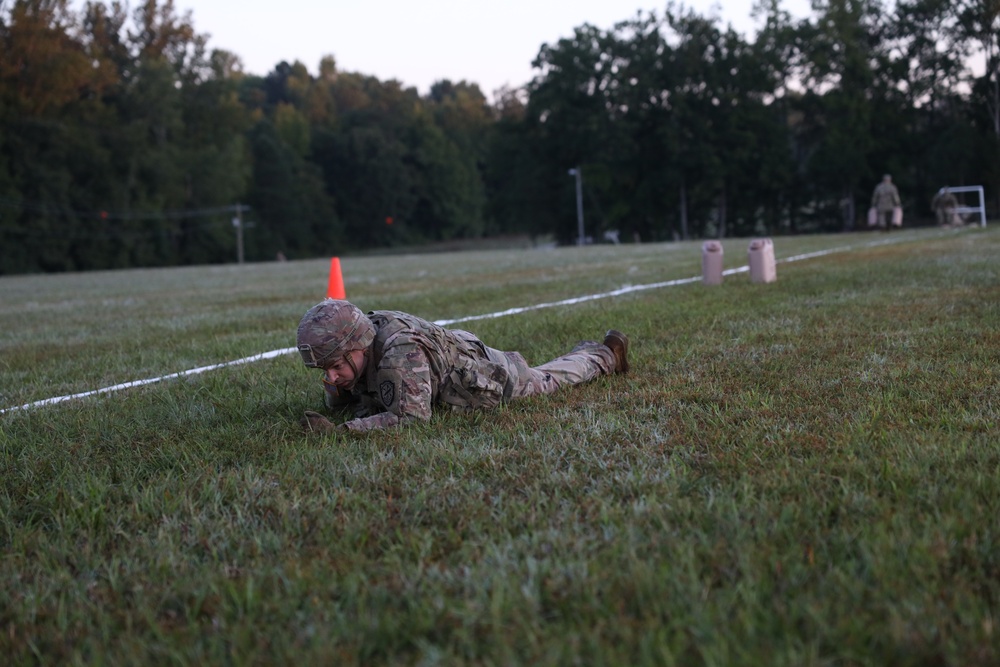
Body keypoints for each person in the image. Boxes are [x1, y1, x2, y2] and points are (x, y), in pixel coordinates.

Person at [296, 299, 630, 433]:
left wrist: (343, 432)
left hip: (483, 372)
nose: (330, 375)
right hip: (450, 354)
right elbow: (350, 395)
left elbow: (411, 419)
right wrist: (335, 387)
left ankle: (603, 355)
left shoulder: (401, 352)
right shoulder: (362, 342)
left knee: (547, 379)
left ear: (358, 345)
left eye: (336, 365)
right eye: (324, 369)